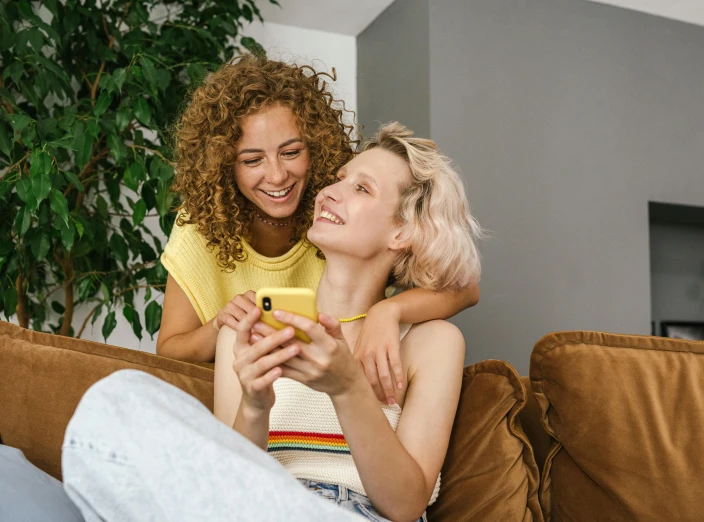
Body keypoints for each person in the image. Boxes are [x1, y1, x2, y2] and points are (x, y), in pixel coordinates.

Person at [62, 123, 482, 522]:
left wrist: (348, 386)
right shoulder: (247, 330)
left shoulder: (432, 343)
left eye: (361, 188)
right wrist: (254, 405)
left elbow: (406, 505)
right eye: (339, 178)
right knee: (119, 394)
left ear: (402, 232)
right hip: (253, 506)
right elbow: (234, 484)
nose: (330, 192)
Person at [157, 54, 479, 403]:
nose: (277, 176)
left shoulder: (334, 209)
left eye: (292, 152)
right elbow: (169, 351)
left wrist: (388, 311)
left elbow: (463, 286)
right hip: (247, 388)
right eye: (252, 160)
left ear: (314, 144)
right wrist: (222, 326)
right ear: (224, 165)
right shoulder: (203, 226)